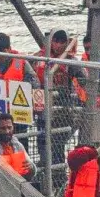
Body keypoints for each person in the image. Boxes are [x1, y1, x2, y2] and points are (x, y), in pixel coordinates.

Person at [33, 30, 84, 185]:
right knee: (43, 141)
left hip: (63, 109)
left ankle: (58, 177)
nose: (59, 45)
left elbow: (83, 79)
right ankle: (48, 175)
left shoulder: (70, 62)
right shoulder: (36, 59)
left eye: (62, 42)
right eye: (56, 41)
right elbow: (29, 77)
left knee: (57, 143)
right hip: (42, 108)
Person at [0, 113, 36, 181]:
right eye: (3, 128)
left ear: (13, 127)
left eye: (9, 127)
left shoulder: (18, 146)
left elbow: (30, 171)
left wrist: (31, 167)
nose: (7, 131)